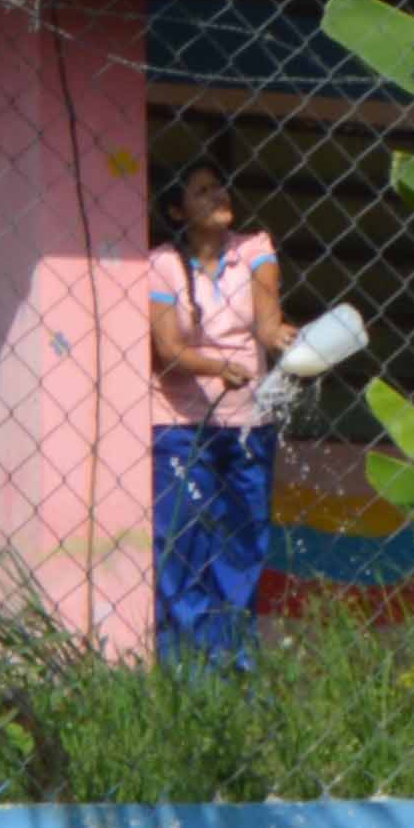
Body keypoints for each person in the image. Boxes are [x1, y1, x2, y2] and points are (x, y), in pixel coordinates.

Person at [143, 162, 289, 663]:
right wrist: (217, 366)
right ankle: (189, 669)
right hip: (182, 425)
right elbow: (167, 349)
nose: (218, 194)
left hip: (249, 423)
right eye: (202, 191)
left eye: (219, 184)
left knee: (243, 543)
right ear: (177, 211)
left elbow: (268, 325)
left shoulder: (254, 251)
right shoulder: (161, 263)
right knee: (183, 542)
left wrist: (290, 339)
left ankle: (235, 664)